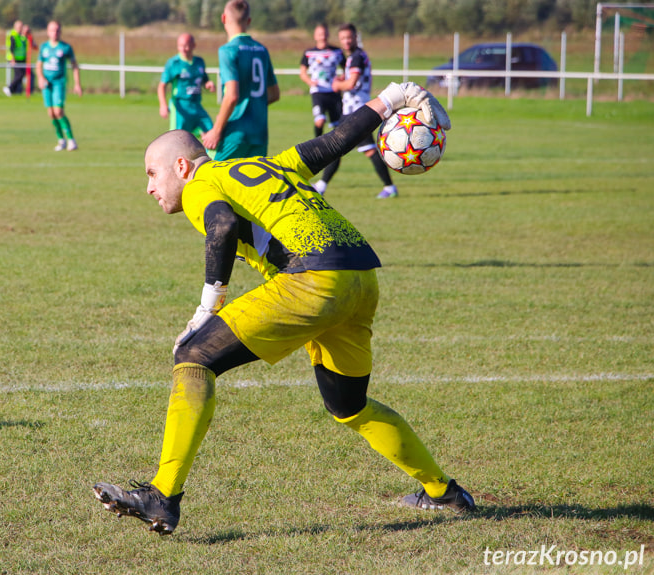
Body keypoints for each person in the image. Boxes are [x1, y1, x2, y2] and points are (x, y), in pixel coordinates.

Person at [93, 81, 474, 535]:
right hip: (360, 276)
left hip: (314, 278)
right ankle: (445, 492)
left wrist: (207, 307)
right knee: (349, 406)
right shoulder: (259, 165)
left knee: (192, 357)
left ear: (182, 166)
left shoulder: (201, 184)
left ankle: (162, 495)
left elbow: (224, 224)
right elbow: (335, 142)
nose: (149, 188)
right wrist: (392, 98)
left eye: (152, 174)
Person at [201, 0, 279, 161]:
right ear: (249, 21)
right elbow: (275, 94)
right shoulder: (262, 50)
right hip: (259, 132)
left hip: (235, 132)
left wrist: (216, 130)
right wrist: (253, 105)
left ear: (223, 18)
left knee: (205, 178)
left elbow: (232, 96)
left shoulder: (228, 50)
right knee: (250, 184)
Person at [329, 23, 398, 199]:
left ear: (355, 37)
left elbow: (351, 83)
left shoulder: (357, 56)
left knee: (340, 147)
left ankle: (390, 187)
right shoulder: (356, 56)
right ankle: (321, 185)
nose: (346, 41)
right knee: (337, 146)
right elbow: (355, 79)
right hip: (354, 108)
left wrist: (337, 84)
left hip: (356, 109)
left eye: (349, 37)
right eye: (343, 38)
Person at [299, 23, 345, 195]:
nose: (322, 36)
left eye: (325, 33)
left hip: (333, 93)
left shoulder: (337, 52)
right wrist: (310, 82)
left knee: (337, 130)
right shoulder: (309, 53)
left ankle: (328, 150)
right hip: (318, 92)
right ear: (315, 35)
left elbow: (347, 69)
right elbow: (302, 71)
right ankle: (318, 145)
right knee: (319, 120)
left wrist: (341, 79)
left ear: (327, 34)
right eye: (319, 33)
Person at [158, 33, 215, 142]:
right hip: (180, 106)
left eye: (186, 45)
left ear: (194, 45)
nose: (183, 49)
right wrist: (163, 105)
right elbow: (162, 85)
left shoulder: (199, 62)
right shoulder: (174, 63)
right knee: (177, 139)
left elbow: (204, 79)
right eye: (180, 46)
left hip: (196, 105)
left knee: (212, 133)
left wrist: (208, 84)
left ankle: (207, 158)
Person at [35, 20, 82, 152]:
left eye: (57, 30)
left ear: (60, 32)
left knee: (58, 111)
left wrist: (77, 84)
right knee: (51, 113)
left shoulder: (66, 47)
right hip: (46, 84)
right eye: (52, 30)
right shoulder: (44, 47)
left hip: (58, 83)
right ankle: (61, 140)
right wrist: (40, 77)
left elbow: (74, 66)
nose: (54, 33)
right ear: (47, 31)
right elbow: (39, 65)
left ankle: (71, 140)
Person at [4, 20, 29, 97]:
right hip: (14, 58)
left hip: (21, 58)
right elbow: (12, 48)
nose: (21, 29)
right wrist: (12, 59)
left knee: (20, 75)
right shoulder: (13, 35)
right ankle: (9, 88)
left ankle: (17, 91)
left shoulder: (21, 35)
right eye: (19, 27)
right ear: (15, 27)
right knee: (19, 75)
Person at [21, 24, 37, 94]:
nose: (27, 31)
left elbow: (35, 47)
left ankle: (30, 90)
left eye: (28, 30)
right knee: (20, 76)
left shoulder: (30, 38)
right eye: (25, 30)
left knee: (31, 76)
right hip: (20, 59)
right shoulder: (20, 37)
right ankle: (18, 90)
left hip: (27, 60)